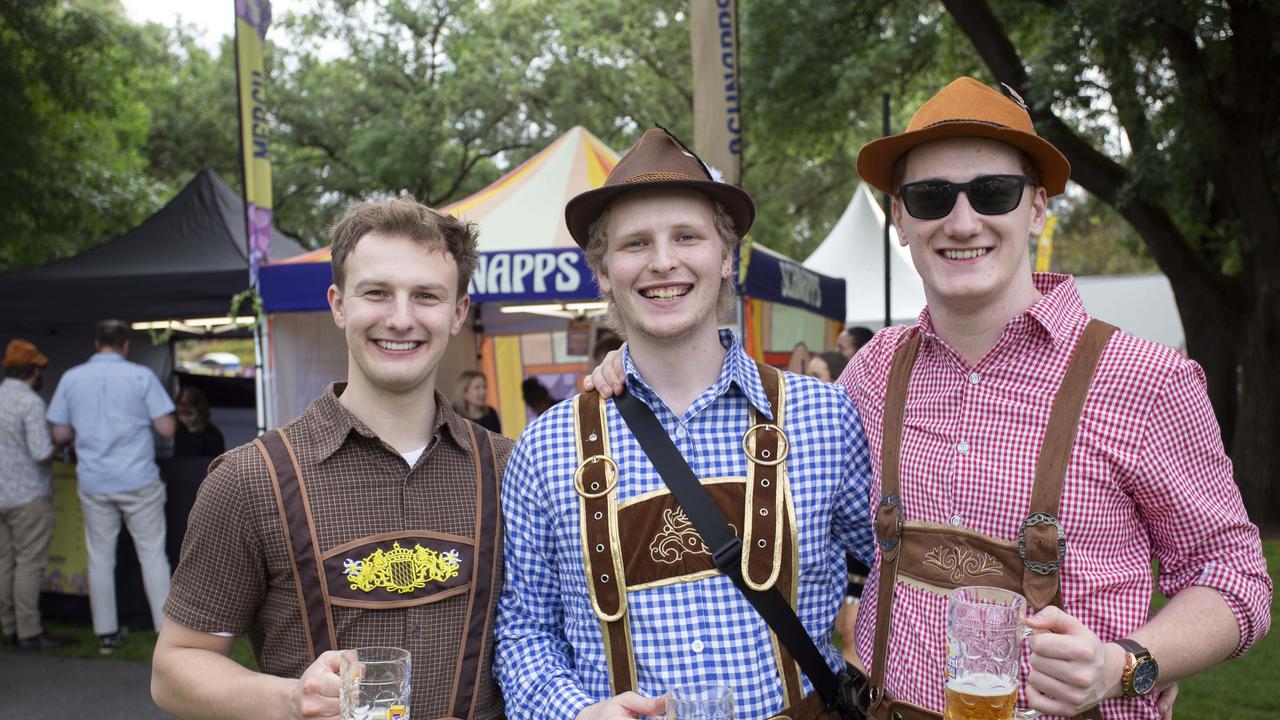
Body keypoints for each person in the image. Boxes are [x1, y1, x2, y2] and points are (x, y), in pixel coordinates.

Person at [588, 79, 1272, 720]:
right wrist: (640, 362)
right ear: (900, 219)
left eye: (995, 192)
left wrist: (1131, 661)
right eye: (932, 198)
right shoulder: (873, 373)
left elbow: (1234, 576)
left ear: (1037, 206)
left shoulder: (1145, 379)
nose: (963, 220)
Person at [496, 127, 875, 720]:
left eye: (687, 237)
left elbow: (898, 571)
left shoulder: (823, 416)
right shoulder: (545, 449)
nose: (663, 261)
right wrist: (575, 713)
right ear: (602, 271)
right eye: (635, 243)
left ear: (726, 258)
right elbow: (524, 632)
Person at [151, 197, 513, 720]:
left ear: (458, 313)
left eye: (426, 296)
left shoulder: (509, 469)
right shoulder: (251, 479)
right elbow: (174, 670)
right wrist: (289, 698)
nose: (401, 318)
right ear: (339, 304)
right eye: (377, 293)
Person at [47, 319, 176, 653]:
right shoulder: (140, 376)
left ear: (95, 341)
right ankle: (165, 633)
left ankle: (105, 633)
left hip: (94, 481)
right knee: (152, 554)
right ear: (126, 344)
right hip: (138, 479)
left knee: (100, 558)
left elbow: (59, 435)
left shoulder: (71, 378)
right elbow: (166, 429)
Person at [0, 340, 69, 652]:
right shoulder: (30, 402)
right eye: (42, 369)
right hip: (28, 494)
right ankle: (30, 631)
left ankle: (9, 626)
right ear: (33, 370)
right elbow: (41, 453)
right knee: (29, 563)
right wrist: (63, 442)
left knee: (5, 562)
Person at [173, 386, 226, 457]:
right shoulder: (180, 432)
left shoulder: (213, 436)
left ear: (200, 411)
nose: (184, 418)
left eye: (189, 413)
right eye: (180, 413)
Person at [454, 369, 502, 433]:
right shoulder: (454, 415)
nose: (483, 392)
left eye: (484, 387)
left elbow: (498, 440)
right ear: (464, 392)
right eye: (477, 388)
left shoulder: (491, 413)